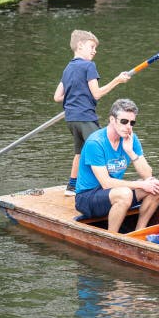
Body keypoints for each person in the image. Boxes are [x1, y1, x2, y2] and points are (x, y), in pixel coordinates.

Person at [54, 29, 132, 196]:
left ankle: (72, 186)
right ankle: (106, 185)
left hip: (71, 119)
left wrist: (76, 94)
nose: (94, 51)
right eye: (92, 46)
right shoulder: (89, 66)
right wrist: (117, 80)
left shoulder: (68, 68)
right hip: (85, 117)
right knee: (102, 148)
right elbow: (96, 93)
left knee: (80, 152)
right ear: (80, 45)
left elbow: (58, 97)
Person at [74, 98, 159, 233]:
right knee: (125, 193)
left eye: (132, 122)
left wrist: (130, 152)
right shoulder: (96, 142)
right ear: (112, 120)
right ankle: (112, 236)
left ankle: (139, 233)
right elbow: (106, 183)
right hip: (87, 197)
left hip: (113, 193)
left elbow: (147, 175)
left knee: (155, 187)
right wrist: (140, 185)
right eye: (124, 121)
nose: (128, 126)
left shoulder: (131, 138)